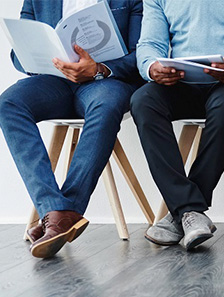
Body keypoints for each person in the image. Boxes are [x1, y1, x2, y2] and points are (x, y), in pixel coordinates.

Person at [131, 0, 224, 251]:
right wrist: (152, 67)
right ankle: (190, 211)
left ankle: (183, 210)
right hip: (182, 82)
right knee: (143, 100)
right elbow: (150, 44)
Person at [0, 0, 143, 259]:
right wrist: (40, 58)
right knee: (8, 103)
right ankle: (56, 210)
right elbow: (17, 54)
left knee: (106, 105)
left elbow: (141, 54)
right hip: (54, 80)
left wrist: (98, 69)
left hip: (104, 81)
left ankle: (61, 216)